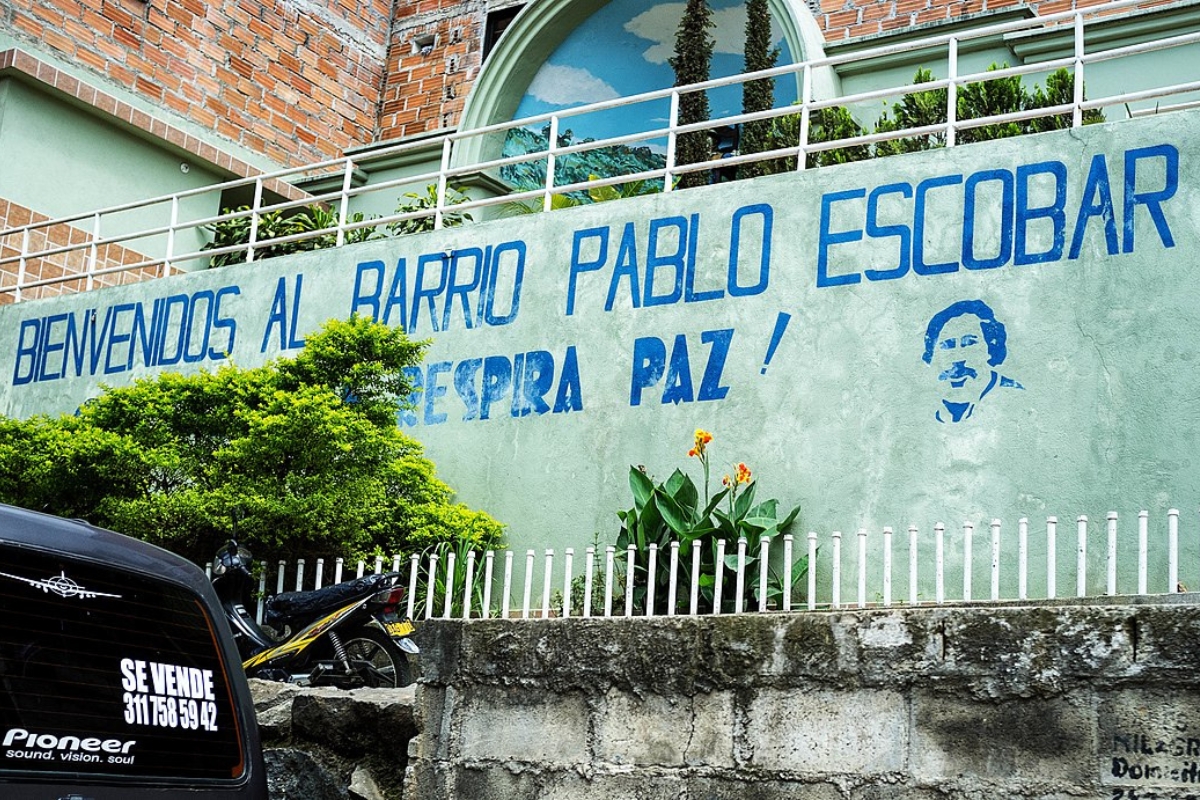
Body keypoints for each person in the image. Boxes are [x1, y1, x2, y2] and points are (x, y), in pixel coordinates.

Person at [922, 299, 1023, 423]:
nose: (958, 359)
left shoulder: (1013, 398)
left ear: (990, 349)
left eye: (970, 343)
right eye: (948, 346)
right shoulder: (923, 404)